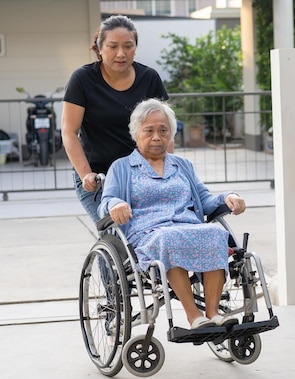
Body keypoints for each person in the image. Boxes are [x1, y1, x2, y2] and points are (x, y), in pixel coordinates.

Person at [98, 98, 246, 329]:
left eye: (163, 130)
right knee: (169, 239)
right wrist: (115, 204)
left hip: (187, 226)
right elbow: (106, 201)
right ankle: (192, 316)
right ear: (136, 133)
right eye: (149, 130)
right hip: (148, 234)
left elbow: (205, 200)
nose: (157, 136)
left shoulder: (182, 165)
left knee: (215, 234)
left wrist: (228, 198)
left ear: (171, 134)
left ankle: (213, 313)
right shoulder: (121, 167)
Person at [62, 15, 169, 224]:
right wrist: (86, 175)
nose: (121, 54)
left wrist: (165, 172)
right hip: (98, 178)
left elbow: (165, 131)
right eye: (112, 46)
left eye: (128, 46)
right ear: (99, 48)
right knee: (117, 236)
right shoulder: (82, 80)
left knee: (152, 230)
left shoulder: (150, 78)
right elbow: (69, 132)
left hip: (141, 176)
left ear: (135, 48)